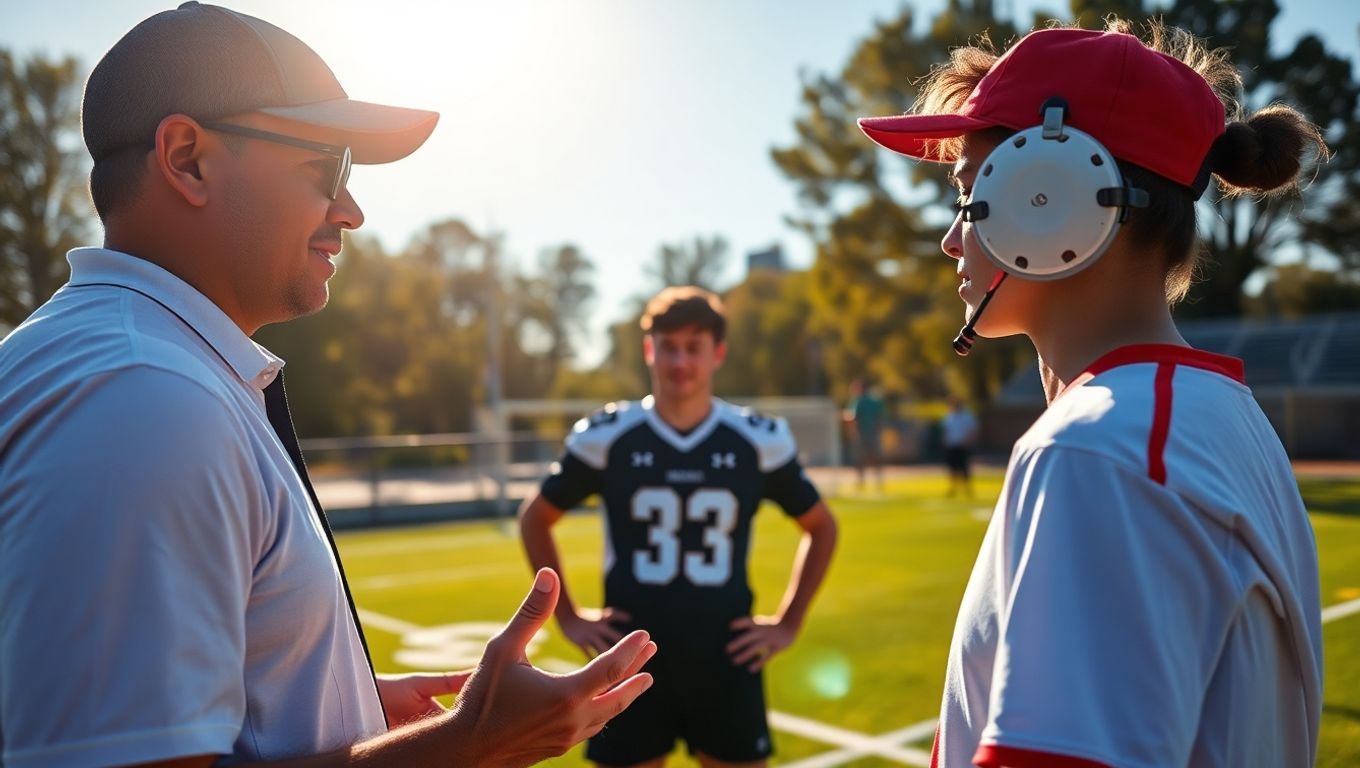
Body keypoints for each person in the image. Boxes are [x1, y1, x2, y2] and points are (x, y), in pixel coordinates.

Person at [0, 4, 654, 767]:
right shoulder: (143, 396)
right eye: (326, 168)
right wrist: (472, 744)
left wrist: (325, 695)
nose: (352, 211)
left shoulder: (115, 361)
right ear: (187, 158)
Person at [859, 20, 1324, 768]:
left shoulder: (1099, 451)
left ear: (1052, 192)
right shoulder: (1215, 416)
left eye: (969, 193)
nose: (950, 238)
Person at [519, 286, 839, 768]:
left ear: (718, 353)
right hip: (629, 655)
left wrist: (789, 623)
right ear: (649, 350)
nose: (680, 361)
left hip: (725, 655)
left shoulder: (756, 439)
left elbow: (822, 527)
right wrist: (568, 616)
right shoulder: (609, 437)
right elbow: (535, 519)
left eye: (694, 347)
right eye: (668, 346)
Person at [843, 378, 885, 492]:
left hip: (863, 434)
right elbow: (880, 417)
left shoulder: (858, 401)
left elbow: (851, 418)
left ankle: (864, 483)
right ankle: (874, 483)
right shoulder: (873, 401)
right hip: (870, 434)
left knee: (863, 460)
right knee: (869, 459)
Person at [940, 396, 978, 498]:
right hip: (952, 446)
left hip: (962, 446)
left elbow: (972, 431)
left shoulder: (967, 416)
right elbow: (946, 431)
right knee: (952, 468)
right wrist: (945, 441)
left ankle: (967, 488)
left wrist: (967, 442)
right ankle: (953, 488)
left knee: (964, 468)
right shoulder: (949, 417)